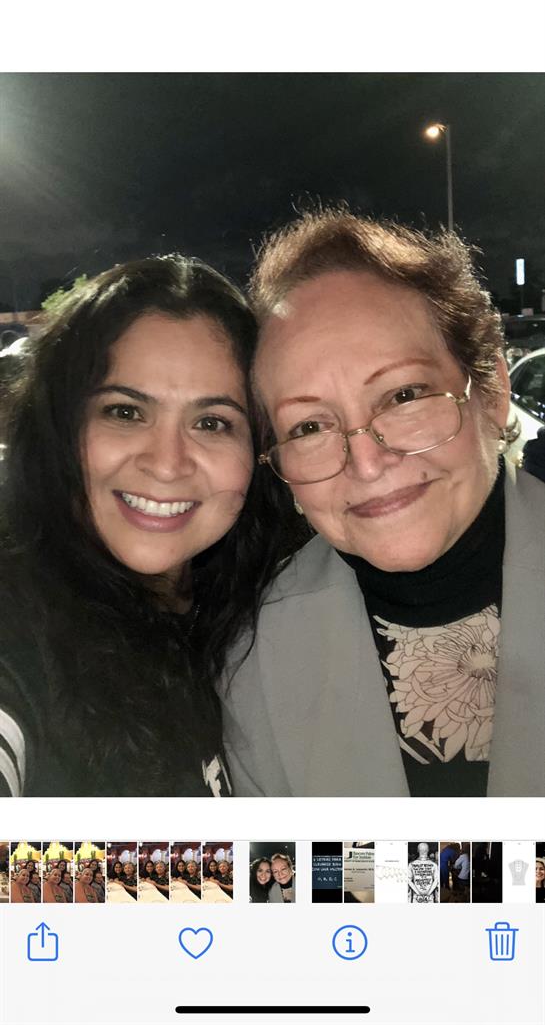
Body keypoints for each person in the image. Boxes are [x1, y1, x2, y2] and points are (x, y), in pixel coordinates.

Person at [222, 209, 545, 797]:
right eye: (309, 427)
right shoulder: (254, 660)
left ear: (492, 394)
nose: (366, 463)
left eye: (403, 395)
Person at [0, 254, 290, 797]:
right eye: (125, 411)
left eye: (212, 422)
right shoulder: (18, 625)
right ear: (61, 425)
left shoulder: (266, 604)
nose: (166, 463)